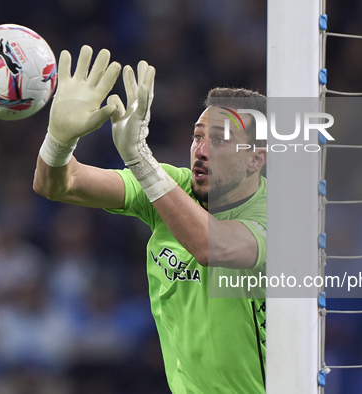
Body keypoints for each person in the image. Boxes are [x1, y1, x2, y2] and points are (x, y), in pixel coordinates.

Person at [33, 45, 267, 393]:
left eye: (219, 140)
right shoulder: (172, 187)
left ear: (255, 160)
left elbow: (211, 246)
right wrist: (59, 140)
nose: (200, 151)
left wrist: (141, 161)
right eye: (198, 136)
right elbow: (59, 185)